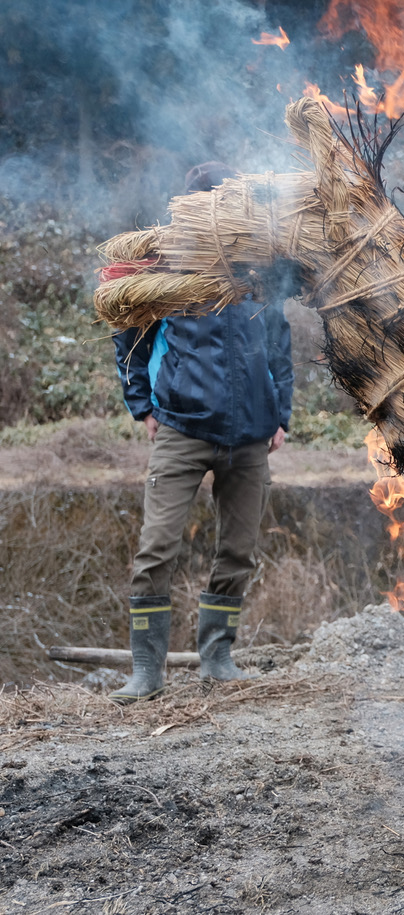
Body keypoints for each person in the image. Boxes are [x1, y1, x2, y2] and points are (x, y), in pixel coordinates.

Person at [108, 160, 294, 704]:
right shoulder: (166, 264)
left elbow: (279, 346)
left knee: (238, 551)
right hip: (182, 430)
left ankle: (217, 658)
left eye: (225, 202)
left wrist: (281, 415)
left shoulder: (257, 267)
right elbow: (129, 336)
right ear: (188, 206)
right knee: (156, 549)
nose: (218, 211)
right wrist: (142, 406)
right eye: (207, 202)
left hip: (252, 435)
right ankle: (147, 671)